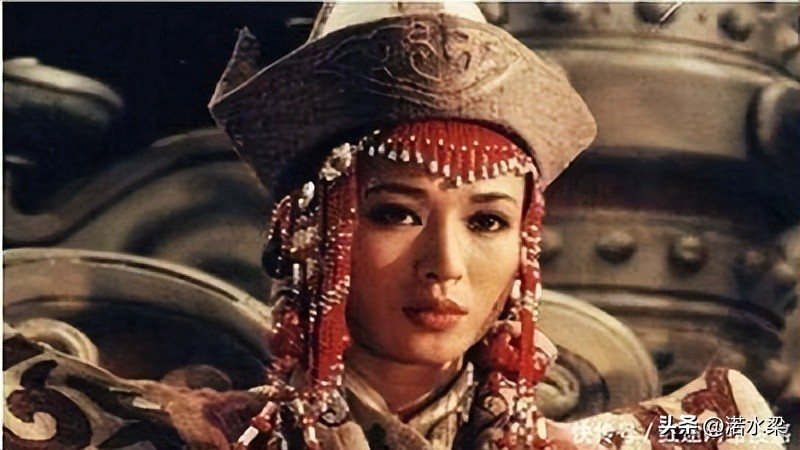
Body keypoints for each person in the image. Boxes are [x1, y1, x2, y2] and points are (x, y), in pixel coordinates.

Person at [2, 3, 785, 450]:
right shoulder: (172, 436)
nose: (445, 263)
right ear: (309, 233)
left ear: (524, 248)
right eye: (396, 213)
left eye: (487, 220)